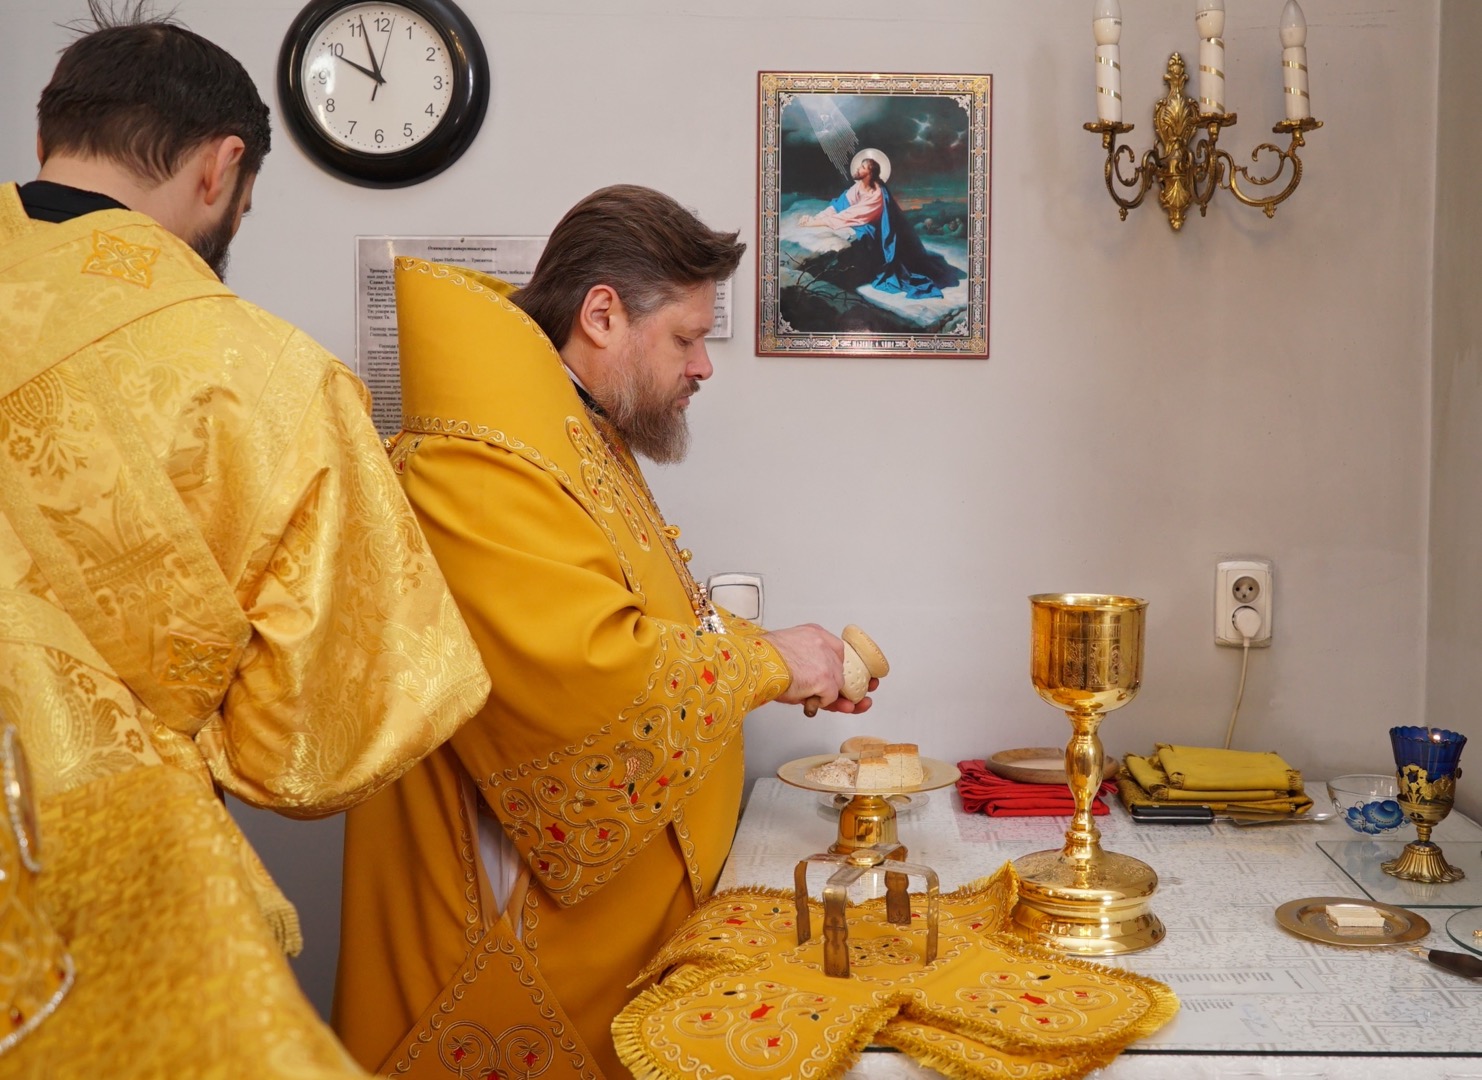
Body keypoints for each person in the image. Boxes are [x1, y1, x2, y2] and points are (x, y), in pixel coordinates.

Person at [0, 5, 489, 1075]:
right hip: (111, 872)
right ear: (222, 168)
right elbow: (316, 736)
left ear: (47, 140)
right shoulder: (271, 378)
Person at [334, 185, 876, 1079]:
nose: (704, 366)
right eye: (687, 338)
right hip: (505, 943)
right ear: (601, 314)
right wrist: (767, 661)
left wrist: (771, 654)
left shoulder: (571, 437)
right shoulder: (473, 467)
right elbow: (585, 678)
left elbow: (636, 620)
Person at [798, 148, 959, 299]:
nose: (858, 169)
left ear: (870, 173)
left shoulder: (877, 193)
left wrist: (816, 223)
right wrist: (815, 219)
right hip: (863, 220)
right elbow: (838, 206)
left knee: (869, 236)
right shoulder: (857, 187)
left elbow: (852, 214)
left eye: (863, 167)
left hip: (880, 230)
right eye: (860, 166)